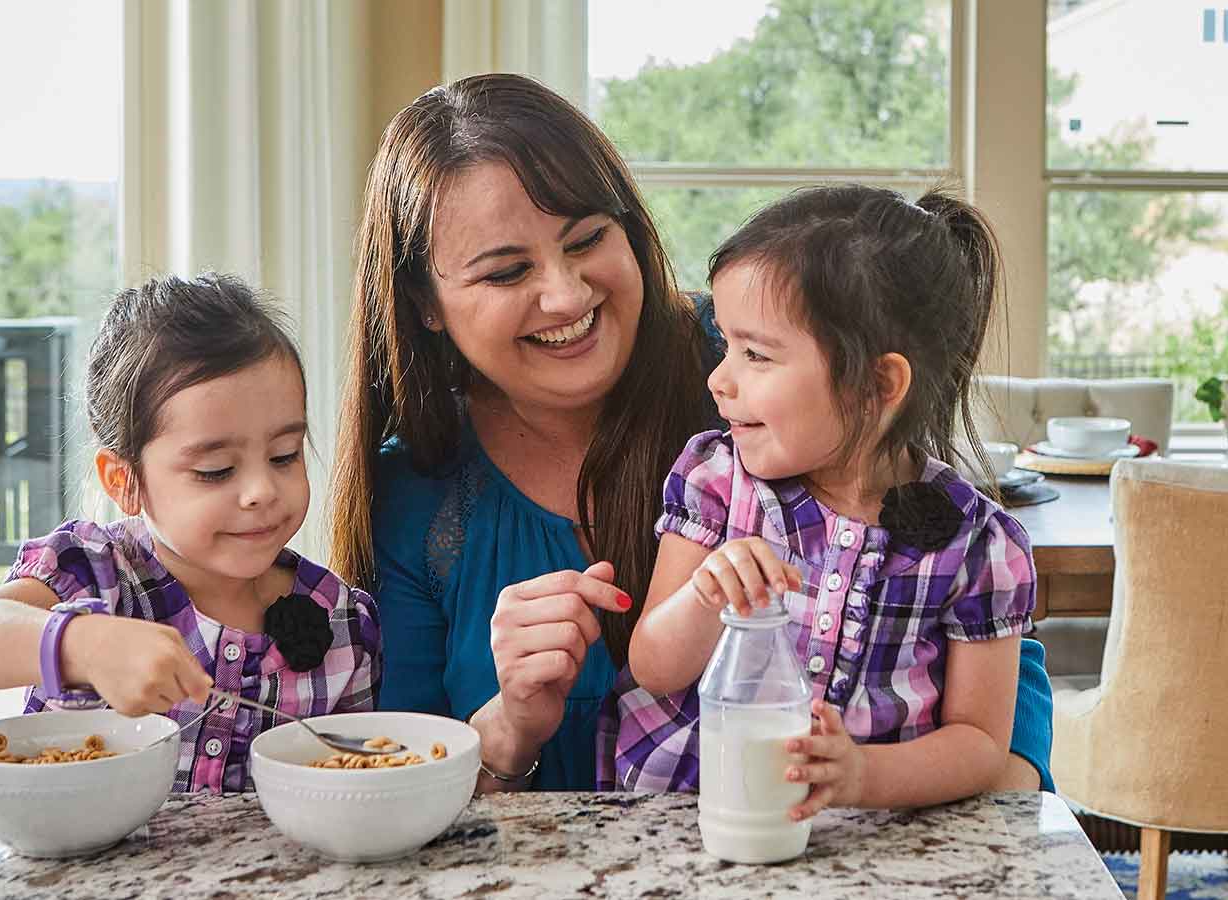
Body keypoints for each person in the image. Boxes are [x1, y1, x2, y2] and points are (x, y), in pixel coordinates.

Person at [328, 73, 1053, 794]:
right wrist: (511, 727)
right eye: (508, 270)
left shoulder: (755, 374)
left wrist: (949, 778)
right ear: (425, 302)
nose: (568, 294)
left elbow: (996, 696)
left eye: (587, 239)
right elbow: (400, 786)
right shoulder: (418, 493)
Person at [608, 185, 1032, 822]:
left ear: (877, 385)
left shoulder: (978, 546)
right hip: (693, 815)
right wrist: (703, 596)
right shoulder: (717, 480)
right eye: (725, 345)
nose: (718, 379)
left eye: (755, 354)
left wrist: (863, 773)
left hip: (870, 840)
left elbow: (979, 744)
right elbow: (652, 668)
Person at [0, 273, 381, 794]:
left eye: (284, 456)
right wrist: (83, 645)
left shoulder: (342, 622)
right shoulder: (95, 576)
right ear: (125, 481)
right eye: (216, 469)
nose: (262, 489)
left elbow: (360, 782)